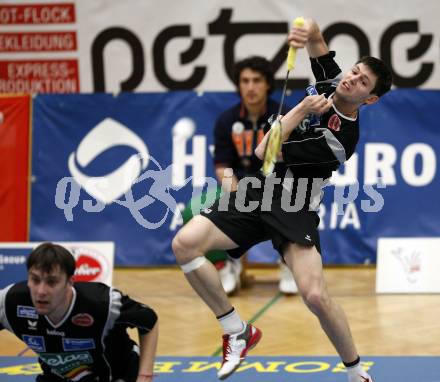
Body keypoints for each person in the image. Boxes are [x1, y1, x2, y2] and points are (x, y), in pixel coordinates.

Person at [172, 17, 392, 382]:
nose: (350, 79)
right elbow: (317, 37)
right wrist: (306, 31)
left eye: (362, 81)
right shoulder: (331, 81)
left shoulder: (342, 140)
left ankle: (356, 370)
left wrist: (301, 110)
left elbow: (263, 150)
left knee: (315, 297)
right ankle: (236, 329)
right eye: (354, 71)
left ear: (368, 99)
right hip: (257, 192)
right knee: (185, 244)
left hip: (294, 205)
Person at [0, 242, 158, 382]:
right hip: (60, 376)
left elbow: (149, 320)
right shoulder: (9, 302)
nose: (41, 291)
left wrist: (145, 376)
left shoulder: (103, 303)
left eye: (52, 282)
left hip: (118, 374)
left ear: (70, 282)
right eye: (35, 280)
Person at [212, 55, 298, 295]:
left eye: (257, 80)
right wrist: (240, 194)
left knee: (298, 202)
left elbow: (298, 163)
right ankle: (226, 265)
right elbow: (222, 166)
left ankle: (288, 264)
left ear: (268, 84)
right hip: (239, 188)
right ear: (238, 84)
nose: (250, 87)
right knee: (194, 209)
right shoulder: (226, 121)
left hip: (280, 187)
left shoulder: (286, 116)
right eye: (245, 81)